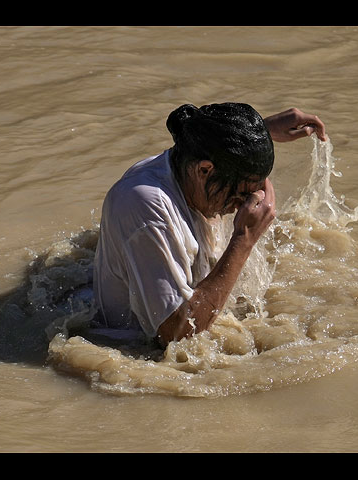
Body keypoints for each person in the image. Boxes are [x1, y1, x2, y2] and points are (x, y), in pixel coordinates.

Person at [90, 103, 326, 347]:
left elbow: (221, 163)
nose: (240, 206)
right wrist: (243, 239)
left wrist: (258, 135)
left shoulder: (186, 167)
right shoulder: (146, 205)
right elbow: (176, 333)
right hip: (130, 346)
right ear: (204, 169)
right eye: (240, 194)